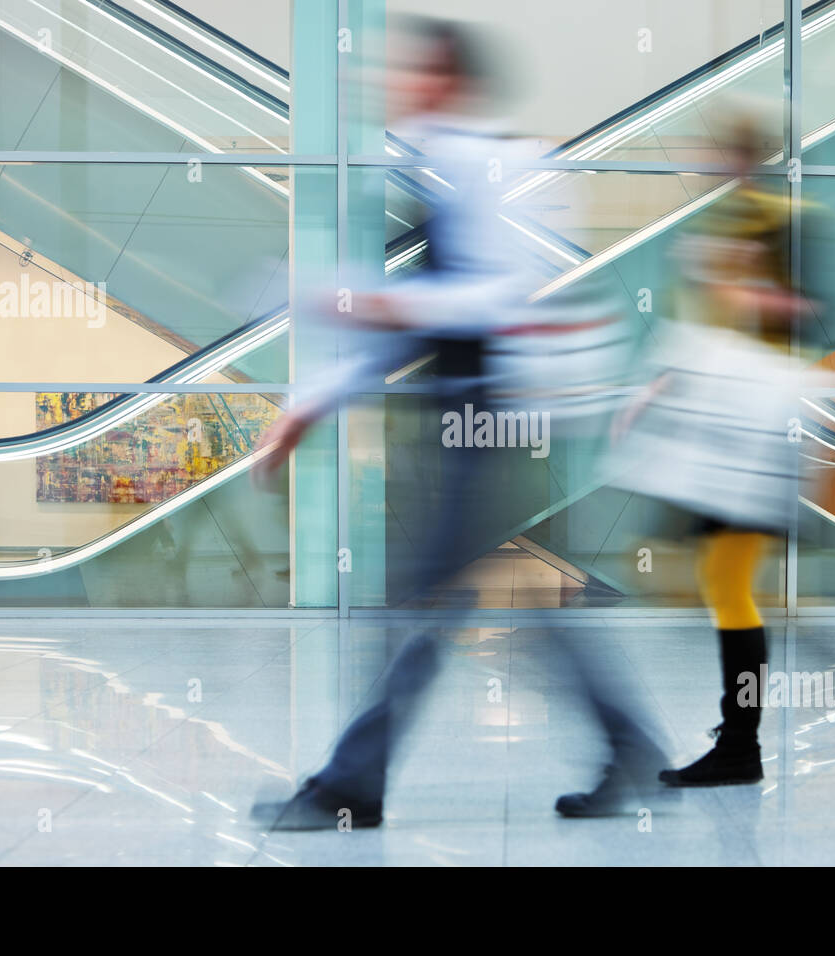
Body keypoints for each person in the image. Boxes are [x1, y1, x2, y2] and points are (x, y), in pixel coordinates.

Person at [251, 15, 667, 829]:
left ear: (450, 81)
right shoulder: (441, 167)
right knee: (480, 600)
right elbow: (413, 327)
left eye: (417, 73)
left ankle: (351, 786)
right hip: (470, 410)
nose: (399, 86)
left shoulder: (499, 165)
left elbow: (498, 297)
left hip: (496, 410)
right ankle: (627, 745)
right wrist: (311, 404)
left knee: (426, 599)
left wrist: (370, 303)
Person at [610, 108, 835, 788]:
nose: (701, 157)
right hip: (716, 424)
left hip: (755, 427)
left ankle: (741, 744)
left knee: (728, 584)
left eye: (710, 146)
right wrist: (656, 387)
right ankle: (741, 730)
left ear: (739, 153)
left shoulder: (789, 218)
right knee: (713, 580)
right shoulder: (719, 221)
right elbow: (702, 330)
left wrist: (741, 288)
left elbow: (815, 309)